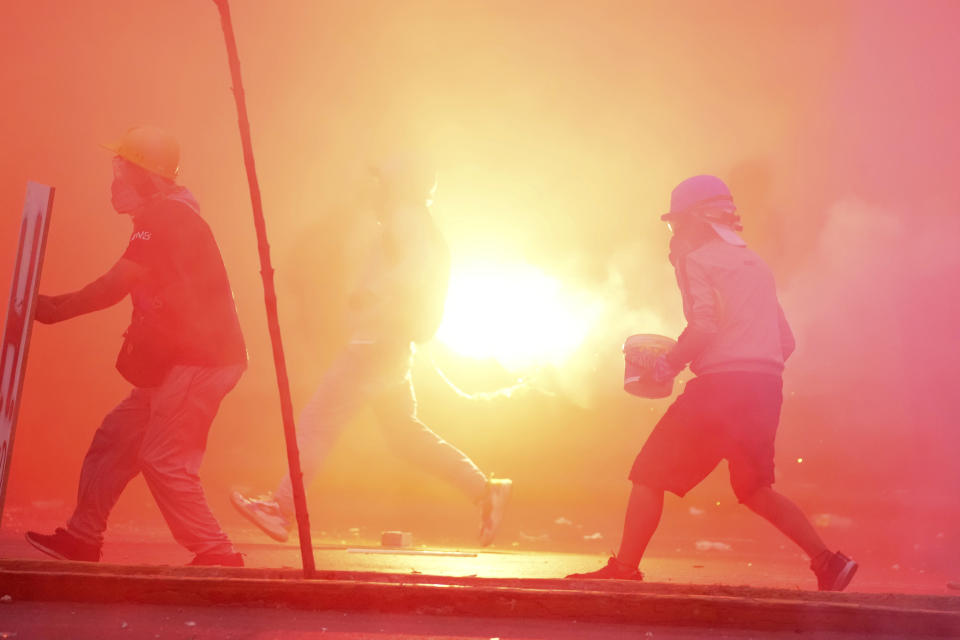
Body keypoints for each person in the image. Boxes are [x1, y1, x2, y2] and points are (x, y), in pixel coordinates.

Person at [566, 175, 857, 591]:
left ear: (697, 220)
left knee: (649, 472)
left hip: (721, 388)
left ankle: (625, 568)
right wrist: (752, 368)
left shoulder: (696, 260)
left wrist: (670, 363)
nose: (674, 235)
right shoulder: (756, 264)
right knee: (754, 487)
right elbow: (785, 341)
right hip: (765, 386)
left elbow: (703, 326)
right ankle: (829, 563)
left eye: (676, 224)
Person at [231, 155, 512, 546]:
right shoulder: (410, 219)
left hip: (376, 343)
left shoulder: (406, 216)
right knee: (404, 436)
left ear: (398, 184)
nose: (373, 188)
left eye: (381, 181)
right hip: (388, 342)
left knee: (317, 421)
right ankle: (484, 491)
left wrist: (373, 293)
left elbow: (418, 264)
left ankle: (281, 510)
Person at [25, 126, 248, 567]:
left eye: (126, 169)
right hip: (175, 362)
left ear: (152, 176)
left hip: (200, 361)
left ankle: (217, 554)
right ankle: (83, 538)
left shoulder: (167, 218)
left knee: (163, 458)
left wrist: (50, 307)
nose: (117, 180)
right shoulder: (165, 217)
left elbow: (114, 286)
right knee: (115, 442)